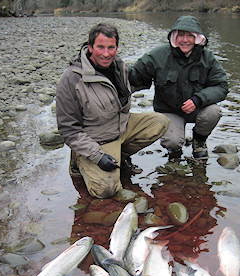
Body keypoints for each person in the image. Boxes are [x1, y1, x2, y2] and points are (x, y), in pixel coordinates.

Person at [56, 22, 169, 198]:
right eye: (100, 47)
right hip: (97, 139)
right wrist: (98, 156)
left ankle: (118, 155)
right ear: (90, 47)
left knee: (160, 122)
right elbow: (68, 130)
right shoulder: (71, 79)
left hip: (121, 126)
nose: (106, 53)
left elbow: (140, 78)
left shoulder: (119, 66)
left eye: (111, 47)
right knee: (105, 191)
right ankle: (79, 158)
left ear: (117, 47)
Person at [129, 15, 228, 160]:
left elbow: (221, 86)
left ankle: (199, 140)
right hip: (169, 111)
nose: (185, 40)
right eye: (181, 35)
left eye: (190, 35)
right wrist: (113, 66)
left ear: (197, 38)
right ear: (174, 37)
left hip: (197, 108)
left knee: (214, 112)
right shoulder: (158, 55)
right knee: (172, 142)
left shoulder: (208, 58)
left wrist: (198, 100)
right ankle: (175, 150)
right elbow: (135, 74)